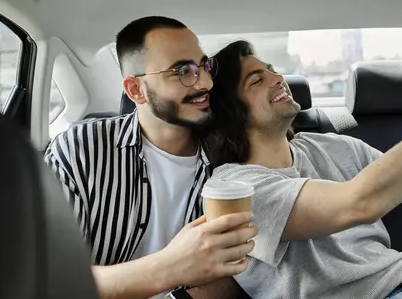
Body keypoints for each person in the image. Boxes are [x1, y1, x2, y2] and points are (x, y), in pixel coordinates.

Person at [204, 40, 402, 299]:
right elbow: (358, 203)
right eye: (257, 80)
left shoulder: (332, 146)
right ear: (232, 112)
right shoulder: (236, 188)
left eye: (271, 69)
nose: (277, 78)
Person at [44, 17, 258, 299]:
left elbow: (251, 273)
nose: (205, 81)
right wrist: (171, 266)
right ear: (135, 90)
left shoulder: (234, 155)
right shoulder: (80, 151)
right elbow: (52, 278)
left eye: (205, 66)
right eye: (183, 70)